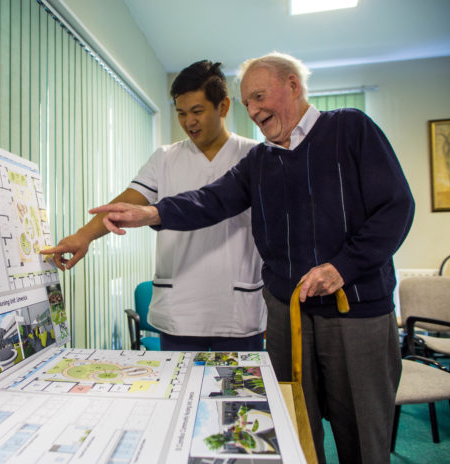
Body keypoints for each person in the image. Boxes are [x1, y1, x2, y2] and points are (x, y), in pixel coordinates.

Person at [90, 52, 415, 464]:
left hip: (355, 311)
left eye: (261, 96)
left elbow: (396, 208)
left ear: (293, 86)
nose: (255, 110)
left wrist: (342, 268)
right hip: (288, 316)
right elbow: (211, 200)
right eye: (248, 102)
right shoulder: (260, 160)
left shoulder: (349, 128)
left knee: (363, 431)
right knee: (293, 426)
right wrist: (152, 212)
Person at [41, 60, 267, 352]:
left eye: (197, 111)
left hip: (237, 311)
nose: (188, 122)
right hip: (180, 313)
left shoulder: (256, 155)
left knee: (240, 397)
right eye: (181, 113)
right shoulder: (164, 158)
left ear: (223, 107)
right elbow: (126, 205)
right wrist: (83, 236)